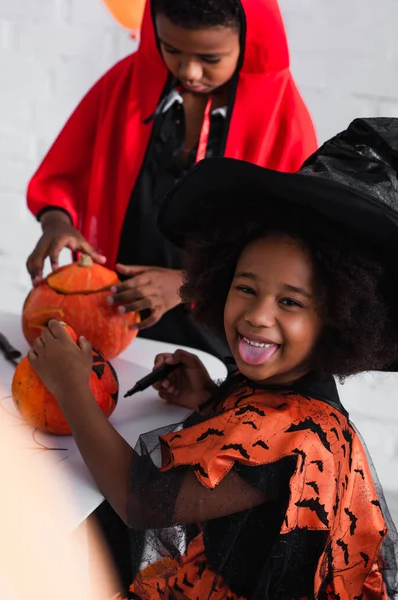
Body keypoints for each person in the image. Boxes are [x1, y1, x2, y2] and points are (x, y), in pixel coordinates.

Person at [26, 117, 398, 599]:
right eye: (245, 288)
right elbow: (247, 434)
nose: (256, 315)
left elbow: (139, 501)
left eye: (290, 302)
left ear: (339, 319)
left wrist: (72, 387)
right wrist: (210, 397)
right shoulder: (286, 388)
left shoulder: (297, 437)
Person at [25, 0, 317, 363]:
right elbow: (64, 170)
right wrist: (57, 223)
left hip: (215, 329)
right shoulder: (124, 84)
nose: (189, 71)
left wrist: (186, 281)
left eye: (211, 59)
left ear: (249, 41)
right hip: (116, 311)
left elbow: (289, 242)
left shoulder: (284, 121)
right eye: (171, 49)